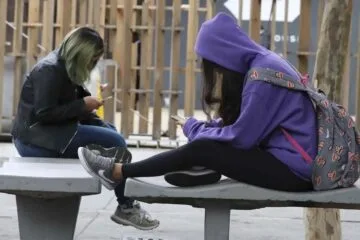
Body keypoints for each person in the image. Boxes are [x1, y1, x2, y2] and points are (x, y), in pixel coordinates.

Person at [77, 11, 316, 211]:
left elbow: (241, 137)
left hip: (295, 171)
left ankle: (118, 172)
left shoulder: (260, 78)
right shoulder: (266, 63)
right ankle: (200, 167)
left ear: (222, 56)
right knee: (205, 148)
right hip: (291, 161)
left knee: (203, 148)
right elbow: (246, 123)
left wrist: (194, 128)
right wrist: (203, 127)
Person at [11, 27, 159, 230]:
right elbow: (45, 113)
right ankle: (126, 206)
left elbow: (69, 101)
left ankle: (117, 188)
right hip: (35, 140)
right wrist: (83, 105)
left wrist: (89, 106)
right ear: (81, 54)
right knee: (116, 143)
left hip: (52, 133)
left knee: (111, 132)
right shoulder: (50, 70)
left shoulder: (64, 65)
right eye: (92, 60)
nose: (93, 65)